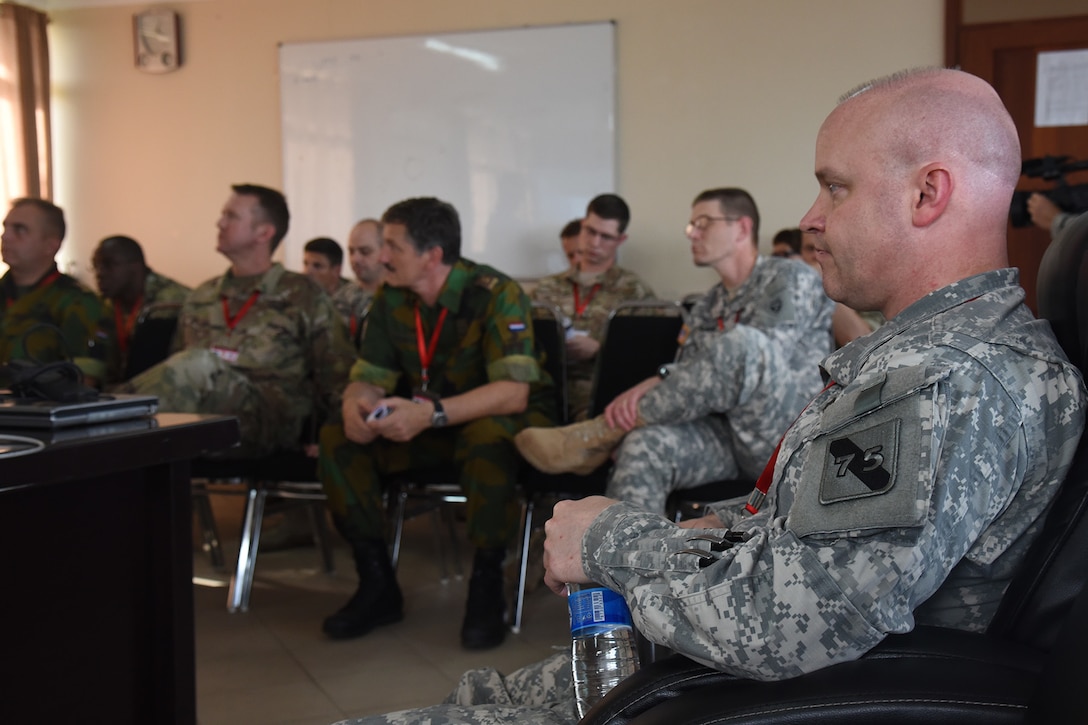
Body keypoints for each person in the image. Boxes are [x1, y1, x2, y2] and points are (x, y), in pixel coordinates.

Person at [336, 67, 1087, 725]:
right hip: (714, 672)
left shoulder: (943, 380)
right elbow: (809, 533)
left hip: (761, 693)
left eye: (835, 185)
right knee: (475, 697)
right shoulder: (934, 360)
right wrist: (690, 533)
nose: (813, 216)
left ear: (929, 193)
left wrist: (607, 542)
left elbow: (790, 617)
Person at [317, 196, 557, 650]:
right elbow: (371, 373)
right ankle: (376, 583)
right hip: (429, 422)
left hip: (501, 419)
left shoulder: (495, 293)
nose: (381, 257)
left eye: (392, 246)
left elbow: (513, 391)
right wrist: (356, 404)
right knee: (338, 438)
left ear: (432, 255)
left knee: (486, 441)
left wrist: (429, 413)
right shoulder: (392, 296)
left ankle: (487, 584)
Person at [516, 188, 834, 515]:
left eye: (703, 223)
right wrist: (658, 379)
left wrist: (657, 383)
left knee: (743, 345)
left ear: (741, 228)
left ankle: (602, 433)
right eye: (691, 225)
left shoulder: (789, 278)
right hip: (726, 439)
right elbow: (689, 382)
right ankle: (626, 560)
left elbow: (754, 364)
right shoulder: (707, 305)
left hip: (786, 439)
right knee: (645, 446)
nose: (692, 234)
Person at [117, 183, 355, 457]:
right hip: (201, 412)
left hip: (271, 422)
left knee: (197, 365)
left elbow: (338, 376)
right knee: (189, 375)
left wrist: (332, 436)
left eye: (231, 216)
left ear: (263, 233)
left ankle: (106, 420)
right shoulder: (203, 295)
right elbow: (175, 374)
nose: (219, 223)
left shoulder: (304, 295)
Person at [531, 194, 656, 421]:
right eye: (590, 232)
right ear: (582, 226)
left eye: (606, 237)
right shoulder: (546, 289)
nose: (595, 243)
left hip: (601, 397)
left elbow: (648, 358)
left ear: (621, 240)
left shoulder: (635, 292)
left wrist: (600, 349)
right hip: (545, 391)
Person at [0, 197, 109, 388]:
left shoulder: (78, 302)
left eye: (19, 230)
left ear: (51, 245)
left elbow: (83, 381)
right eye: (5, 227)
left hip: (33, 412)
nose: (6, 236)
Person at [91, 234, 191, 383]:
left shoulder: (173, 301)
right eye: (95, 266)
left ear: (135, 267)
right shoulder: (104, 303)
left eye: (108, 265)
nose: (100, 273)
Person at [796, 228, 880, 346]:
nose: (816, 256)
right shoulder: (797, 290)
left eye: (825, 249)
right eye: (810, 249)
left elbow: (864, 344)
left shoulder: (869, 291)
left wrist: (820, 279)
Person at [334, 218, 385, 346]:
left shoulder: (400, 297)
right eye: (351, 251)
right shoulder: (341, 298)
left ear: (385, 252)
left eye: (365, 252)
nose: (355, 259)